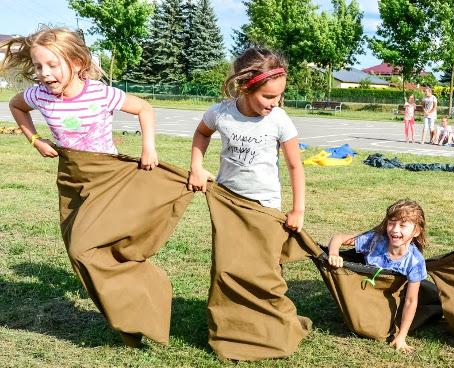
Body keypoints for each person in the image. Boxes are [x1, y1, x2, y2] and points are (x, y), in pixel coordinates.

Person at [3, 27, 157, 168]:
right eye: (38, 66)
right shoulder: (40, 95)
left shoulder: (101, 93)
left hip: (107, 172)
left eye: (53, 65)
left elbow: (144, 108)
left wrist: (149, 149)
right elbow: (16, 106)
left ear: (77, 64)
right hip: (71, 174)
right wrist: (35, 140)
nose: (44, 73)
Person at [188, 47, 304, 225]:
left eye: (280, 95)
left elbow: (295, 166)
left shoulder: (279, 119)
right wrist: (196, 167)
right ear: (245, 88)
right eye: (269, 96)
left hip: (265, 207)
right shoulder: (221, 113)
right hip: (225, 201)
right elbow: (202, 133)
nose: (276, 102)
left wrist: (298, 210)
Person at [327, 199, 428, 352]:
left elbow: (411, 300)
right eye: (391, 223)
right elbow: (338, 238)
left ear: (416, 231)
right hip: (365, 291)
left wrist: (401, 336)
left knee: (378, 330)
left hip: (388, 297)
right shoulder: (375, 240)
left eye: (402, 225)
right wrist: (334, 253)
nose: (395, 230)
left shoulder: (415, 262)